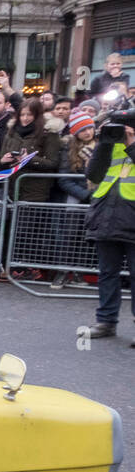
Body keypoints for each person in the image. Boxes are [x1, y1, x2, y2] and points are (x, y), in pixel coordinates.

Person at [80, 117, 135, 342]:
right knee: (107, 273)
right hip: (107, 216)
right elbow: (93, 174)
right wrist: (104, 142)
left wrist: (131, 143)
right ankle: (106, 322)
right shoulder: (112, 143)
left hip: (132, 217)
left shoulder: (129, 143)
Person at [0, 98, 60, 203]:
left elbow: (52, 163)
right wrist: (3, 160)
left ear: (38, 115)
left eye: (30, 115)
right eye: (22, 115)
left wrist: (29, 159)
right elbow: (1, 157)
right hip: (10, 190)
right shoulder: (11, 132)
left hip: (35, 192)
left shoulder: (49, 133)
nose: (25, 118)